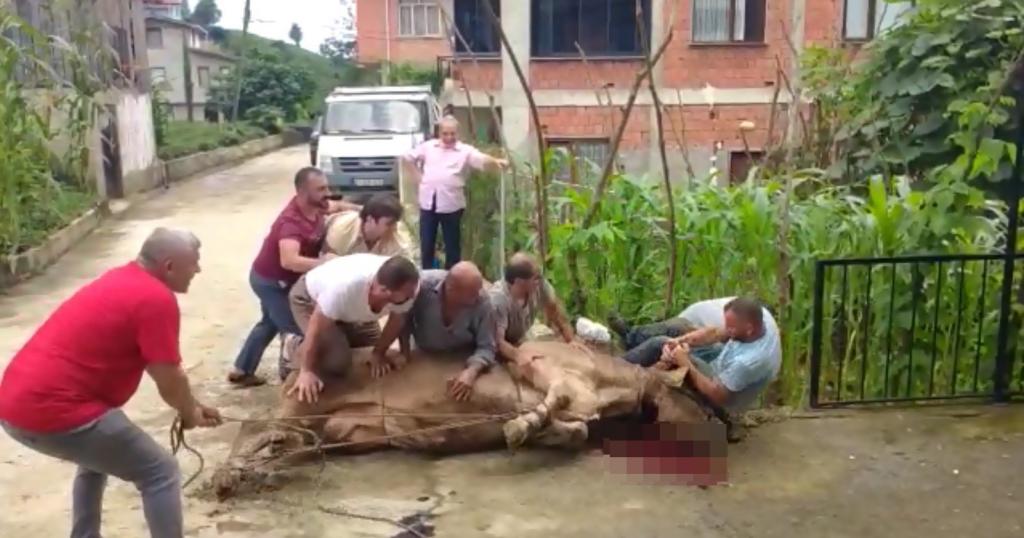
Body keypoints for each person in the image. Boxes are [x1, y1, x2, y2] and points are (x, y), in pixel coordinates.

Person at [0, 228, 222, 538]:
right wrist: (189, 414)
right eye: (194, 263)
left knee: (95, 458)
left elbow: (158, 364)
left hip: (13, 405)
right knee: (160, 471)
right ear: (169, 266)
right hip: (52, 410)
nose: (198, 270)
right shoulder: (155, 298)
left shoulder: (122, 278)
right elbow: (170, 378)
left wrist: (193, 405)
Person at [228, 167, 360, 387]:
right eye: (320, 189)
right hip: (271, 282)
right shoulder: (291, 223)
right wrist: (326, 263)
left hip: (279, 279)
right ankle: (293, 378)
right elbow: (289, 260)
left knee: (269, 323)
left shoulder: (317, 206)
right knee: (296, 329)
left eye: (326, 187)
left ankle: (241, 370)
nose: (326, 193)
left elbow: (336, 206)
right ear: (301, 192)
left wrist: (361, 210)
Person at [283, 254, 421, 402]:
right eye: (407, 294)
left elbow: (397, 319)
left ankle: (340, 334)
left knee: (368, 352)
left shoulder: (411, 285)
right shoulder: (344, 289)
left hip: (351, 311)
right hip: (310, 300)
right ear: (384, 291)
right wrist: (306, 370)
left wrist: (378, 353)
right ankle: (293, 344)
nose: (413, 295)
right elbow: (316, 326)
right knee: (337, 360)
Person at [617, 297, 781, 415]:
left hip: (720, 392)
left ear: (749, 328)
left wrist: (685, 362)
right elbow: (715, 333)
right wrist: (679, 341)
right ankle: (632, 338)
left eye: (731, 328)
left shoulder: (749, 362)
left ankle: (613, 369)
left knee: (659, 344)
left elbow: (718, 396)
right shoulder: (755, 326)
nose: (727, 330)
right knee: (675, 332)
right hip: (721, 362)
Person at [401, 115, 508, 270]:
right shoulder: (428, 147)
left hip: (451, 204)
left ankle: (453, 277)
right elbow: (406, 158)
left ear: (458, 134)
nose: (449, 137)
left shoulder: (464, 151)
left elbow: (480, 159)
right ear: (440, 133)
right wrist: (418, 178)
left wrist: (497, 162)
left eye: (452, 134)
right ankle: (427, 276)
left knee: (452, 245)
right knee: (427, 243)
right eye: (445, 133)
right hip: (428, 202)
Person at [402, 261, 497, 401]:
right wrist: (404, 351)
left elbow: (488, 346)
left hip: (461, 359)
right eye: (472, 293)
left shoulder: (483, 303)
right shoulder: (422, 286)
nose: (478, 296)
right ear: (451, 289)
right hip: (422, 355)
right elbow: (401, 316)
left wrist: (471, 372)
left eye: (479, 290)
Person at [489, 252, 588, 364]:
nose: (540, 280)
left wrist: (571, 340)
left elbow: (555, 311)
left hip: (518, 339)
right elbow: (498, 341)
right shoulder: (498, 299)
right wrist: (518, 355)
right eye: (536, 278)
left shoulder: (539, 285)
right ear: (519, 282)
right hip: (491, 344)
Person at [322, 193, 406, 257]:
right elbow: (328, 263)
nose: (394, 227)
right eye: (389, 224)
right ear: (370, 220)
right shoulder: (342, 231)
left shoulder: (394, 237)